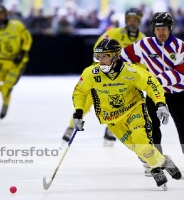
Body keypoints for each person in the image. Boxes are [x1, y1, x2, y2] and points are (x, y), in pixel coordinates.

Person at [72, 38, 182, 188]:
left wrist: (160, 104)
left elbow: (152, 84)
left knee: (140, 140)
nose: (101, 60)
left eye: (105, 56)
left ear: (116, 56)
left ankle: (156, 169)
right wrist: (78, 112)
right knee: (137, 148)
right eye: (99, 56)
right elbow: (80, 92)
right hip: (111, 118)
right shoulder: (91, 73)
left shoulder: (132, 71)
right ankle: (163, 160)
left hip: (134, 110)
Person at [62, 8, 145, 145]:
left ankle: (111, 129)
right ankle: (71, 126)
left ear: (139, 21)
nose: (132, 22)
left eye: (135, 20)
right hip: (102, 74)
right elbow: (97, 49)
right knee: (87, 101)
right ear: (125, 20)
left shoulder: (142, 40)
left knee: (118, 104)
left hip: (122, 79)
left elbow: (143, 63)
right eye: (130, 19)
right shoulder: (113, 33)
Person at [120, 12, 184, 157]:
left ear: (170, 28)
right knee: (150, 125)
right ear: (153, 29)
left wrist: (153, 80)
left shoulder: (180, 47)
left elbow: (180, 73)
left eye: (164, 29)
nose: (161, 32)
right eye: (158, 29)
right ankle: (156, 159)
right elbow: (122, 57)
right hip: (154, 92)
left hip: (178, 93)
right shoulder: (144, 44)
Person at [0, 5, 32, 122]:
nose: (0, 18)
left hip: (16, 63)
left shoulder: (17, 26)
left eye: (2, 15)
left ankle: (5, 105)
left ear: (6, 15)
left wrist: (22, 53)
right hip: (1, 61)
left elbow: (27, 38)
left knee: (6, 88)